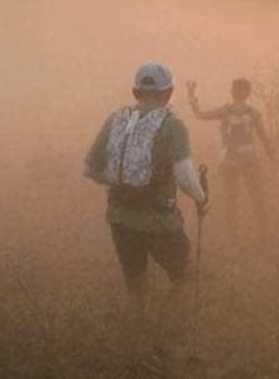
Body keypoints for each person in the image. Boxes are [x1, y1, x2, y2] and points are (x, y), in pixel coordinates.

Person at [84, 61, 209, 370]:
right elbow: (184, 176)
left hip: (118, 217)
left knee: (137, 287)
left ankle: (134, 353)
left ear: (135, 91)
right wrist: (202, 199)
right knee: (187, 277)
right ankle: (160, 346)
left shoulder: (116, 118)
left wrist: (121, 186)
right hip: (158, 220)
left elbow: (89, 169)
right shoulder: (173, 125)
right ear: (169, 93)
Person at [187, 77, 277, 239]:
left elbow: (199, 115)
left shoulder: (229, 111)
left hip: (233, 160)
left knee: (234, 198)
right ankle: (261, 233)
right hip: (244, 160)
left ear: (233, 91)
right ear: (247, 93)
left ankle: (237, 236)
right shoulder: (252, 113)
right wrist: (273, 155)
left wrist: (191, 97)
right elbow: (264, 138)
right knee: (252, 197)